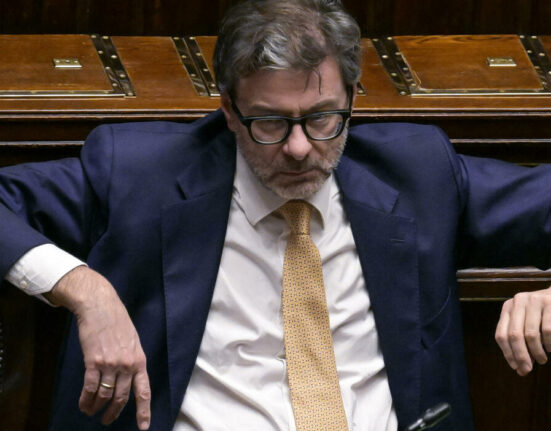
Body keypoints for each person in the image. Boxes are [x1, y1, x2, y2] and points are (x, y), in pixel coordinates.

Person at [1, 0, 551, 429]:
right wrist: (87, 291)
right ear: (228, 110)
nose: (299, 148)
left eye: (322, 118)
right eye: (269, 122)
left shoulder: (418, 173)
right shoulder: (139, 175)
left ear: (353, 98)